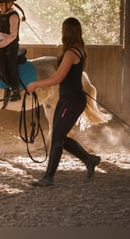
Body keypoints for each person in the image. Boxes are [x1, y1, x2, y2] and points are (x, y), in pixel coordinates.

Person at [26, 17, 100, 187]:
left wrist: (35, 84)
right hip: (67, 98)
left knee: (58, 137)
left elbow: (57, 78)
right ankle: (89, 159)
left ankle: (48, 177)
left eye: (63, 30)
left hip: (72, 100)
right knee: (60, 137)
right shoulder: (79, 50)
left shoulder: (71, 53)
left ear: (67, 32)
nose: (61, 32)